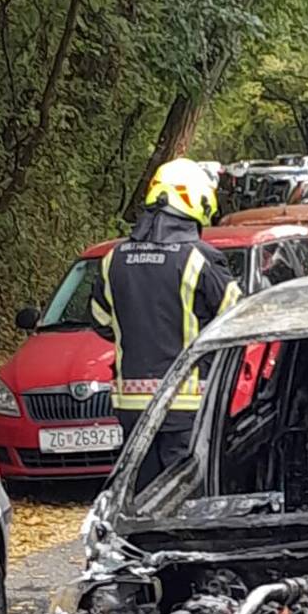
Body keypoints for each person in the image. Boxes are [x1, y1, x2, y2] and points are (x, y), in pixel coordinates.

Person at [91, 157, 240, 481]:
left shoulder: (112, 259)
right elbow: (235, 317)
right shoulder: (199, 257)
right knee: (182, 500)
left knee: (141, 496)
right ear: (197, 202)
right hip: (186, 405)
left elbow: (101, 319)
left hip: (131, 405)